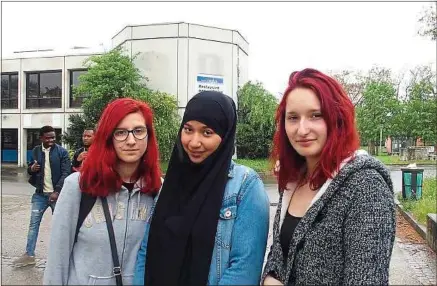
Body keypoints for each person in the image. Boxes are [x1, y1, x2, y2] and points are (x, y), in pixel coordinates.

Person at [262, 68, 396, 285]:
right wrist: (270, 276)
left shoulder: (366, 186)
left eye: (316, 116)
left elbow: (366, 279)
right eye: (293, 118)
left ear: (337, 120)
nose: (302, 129)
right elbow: (279, 255)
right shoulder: (293, 181)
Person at [134, 91, 270, 285]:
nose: (194, 142)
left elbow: (244, 270)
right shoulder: (172, 184)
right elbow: (146, 252)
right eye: (188, 129)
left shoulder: (245, 186)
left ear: (225, 135)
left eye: (207, 132)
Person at [43, 98, 162, 285]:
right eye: (121, 132)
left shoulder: (157, 190)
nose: (131, 141)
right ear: (108, 137)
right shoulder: (78, 186)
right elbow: (57, 259)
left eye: (139, 131)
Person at [13, 126, 71, 268]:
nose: (51, 140)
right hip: (40, 195)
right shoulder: (36, 151)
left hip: (57, 196)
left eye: (53, 137)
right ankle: (29, 255)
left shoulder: (62, 152)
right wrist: (31, 169)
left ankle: (62, 257)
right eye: (48, 137)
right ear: (41, 138)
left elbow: (66, 173)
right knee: (33, 225)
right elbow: (31, 167)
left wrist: (57, 191)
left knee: (61, 226)